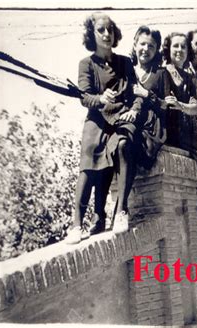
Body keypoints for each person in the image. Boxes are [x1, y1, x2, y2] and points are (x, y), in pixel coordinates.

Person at [65, 12, 142, 244]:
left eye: (110, 29)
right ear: (92, 34)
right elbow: (85, 97)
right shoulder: (86, 64)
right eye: (101, 30)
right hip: (97, 118)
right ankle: (77, 223)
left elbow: (137, 92)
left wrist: (135, 110)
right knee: (88, 161)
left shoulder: (125, 63)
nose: (107, 34)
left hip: (122, 117)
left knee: (124, 145)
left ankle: (121, 211)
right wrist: (100, 99)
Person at [161, 32, 197, 219]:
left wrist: (181, 106)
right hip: (172, 131)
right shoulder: (165, 72)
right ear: (168, 49)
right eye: (175, 46)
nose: (179, 50)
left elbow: (195, 108)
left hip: (187, 129)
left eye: (183, 47)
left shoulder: (187, 77)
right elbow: (167, 103)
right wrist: (181, 107)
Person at [130, 26, 168, 170]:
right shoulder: (128, 70)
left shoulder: (160, 73)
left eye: (151, 46)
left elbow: (166, 106)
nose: (146, 49)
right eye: (142, 44)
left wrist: (147, 94)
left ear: (156, 49)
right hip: (128, 119)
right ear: (135, 45)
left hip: (150, 127)